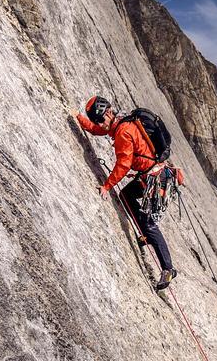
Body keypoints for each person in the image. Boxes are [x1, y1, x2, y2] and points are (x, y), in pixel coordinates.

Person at [72, 96, 177, 290]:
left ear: (109, 113)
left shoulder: (123, 131)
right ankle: (144, 235)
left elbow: (123, 164)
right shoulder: (120, 123)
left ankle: (168, 269)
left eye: (101, 119)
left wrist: (107, 186)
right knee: (126, 196)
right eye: (98, 121)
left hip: (154, 178)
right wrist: (78, 118)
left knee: (148, 224)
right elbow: (97, 130)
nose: (100, 124)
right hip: (152, 174)